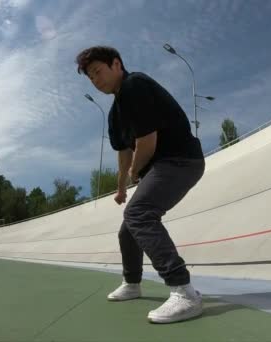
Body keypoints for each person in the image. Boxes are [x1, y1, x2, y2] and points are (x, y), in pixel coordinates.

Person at [75, 46, 206, 323]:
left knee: (138, 214)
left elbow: (147, 142)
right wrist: (121, 186)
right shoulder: (114, 114)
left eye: (98, 72)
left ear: (117, 64)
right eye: (90, 78)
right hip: (161, 166)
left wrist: (136, 172)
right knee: (128, 230)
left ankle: (184, 291)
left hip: (181, 160)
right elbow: (124, 152)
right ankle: (132, 284)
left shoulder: (135, 85)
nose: (96, 80)